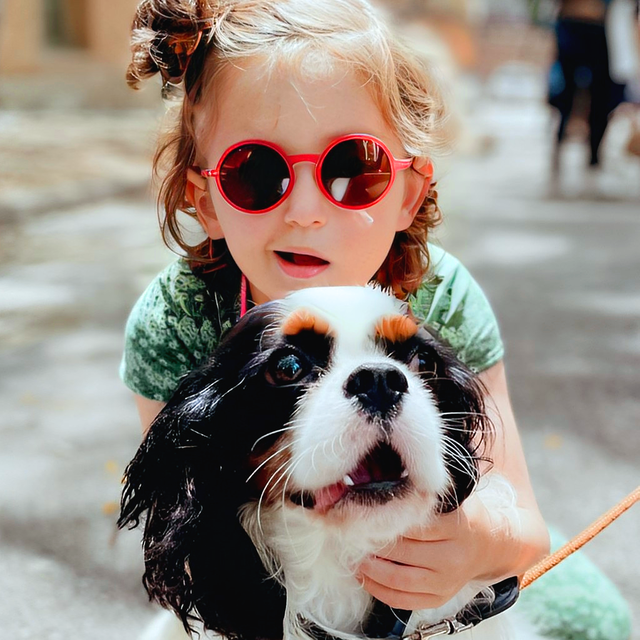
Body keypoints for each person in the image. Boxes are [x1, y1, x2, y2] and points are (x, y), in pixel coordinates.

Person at [120, 1, 631, 638]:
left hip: (449, 543)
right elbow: (191, 523)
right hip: (267, 585)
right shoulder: (176, 319)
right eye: (256, 173)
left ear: (407, 195)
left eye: (352, 169)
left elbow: (520, 526)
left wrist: (473, 546)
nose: (305, 210)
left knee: (600, 621)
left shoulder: (442, 297)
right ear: (207, 201)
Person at [549, 0, 625, 173]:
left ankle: (594, 157)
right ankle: (558, 150)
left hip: (602, 29)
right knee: (565, 95)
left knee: (602, 96)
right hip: (571, 25)